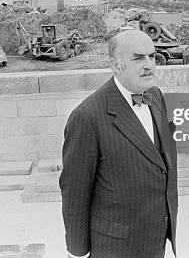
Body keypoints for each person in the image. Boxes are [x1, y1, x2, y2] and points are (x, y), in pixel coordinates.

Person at [59, 29, 178, 258]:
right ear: (116, 65)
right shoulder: (87, 116)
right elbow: (74, 193)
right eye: (138, 58)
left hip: (156, 240)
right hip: (115, 248)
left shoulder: (155, 96)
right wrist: (78, 253)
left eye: (152, 56)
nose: (149, 65)